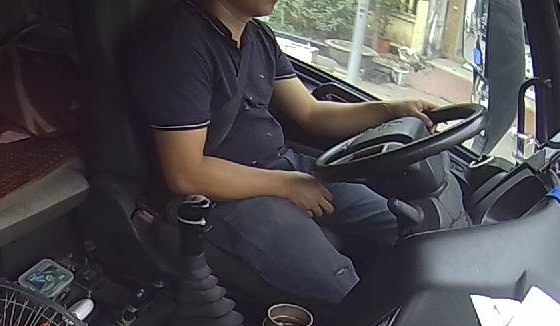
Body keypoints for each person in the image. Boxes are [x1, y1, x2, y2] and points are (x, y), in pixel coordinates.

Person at [131, 0, 437, 307]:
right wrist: (286, 185)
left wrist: (390, 110)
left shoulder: (258, 36)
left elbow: (311, 113)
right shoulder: (181, 45)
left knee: (406, 230)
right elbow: (186, 173)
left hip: (283, 166)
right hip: (222, 196)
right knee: (347, 295)